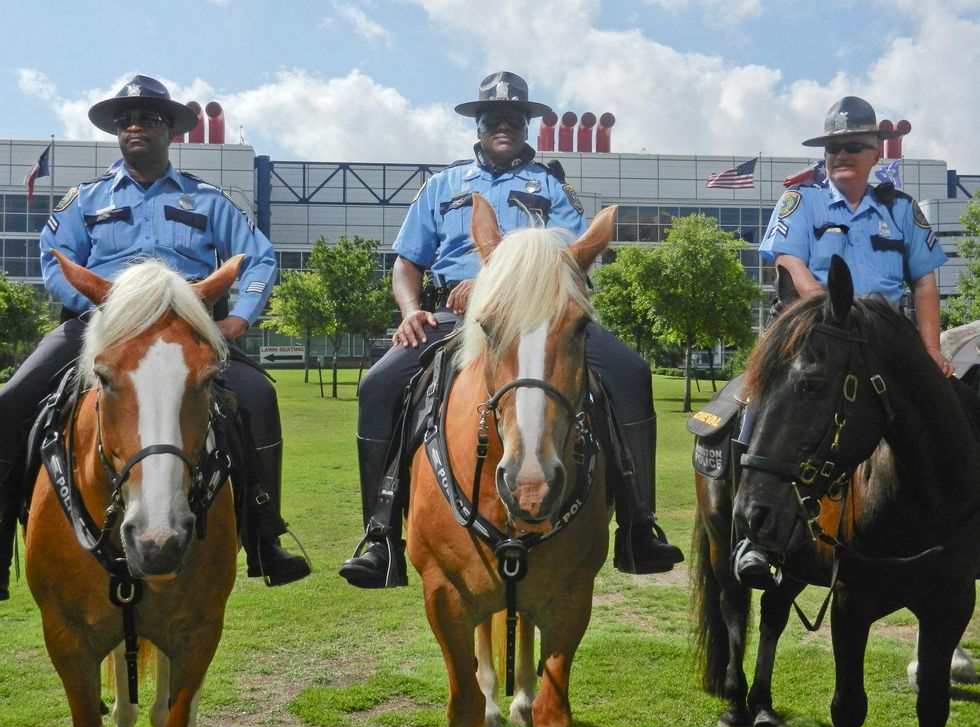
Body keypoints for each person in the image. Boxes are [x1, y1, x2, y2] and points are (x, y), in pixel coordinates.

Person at [339, 71, 683, 589]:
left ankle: (638, 522)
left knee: (630, 373)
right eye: (493, 118)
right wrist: (411, 310)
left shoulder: (551, 187)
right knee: (379, 386)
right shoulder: (442, 186)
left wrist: (492, 281)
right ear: (478, 126)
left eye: (515, 119)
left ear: (528, 127)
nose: (504, 125)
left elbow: (575, 260)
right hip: (452, 317)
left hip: (538, 315)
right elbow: (406, 263)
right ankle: (381, 532)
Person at [0, 75, 310, 599]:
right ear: (118, 133)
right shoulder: (86, 199)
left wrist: (238, 320)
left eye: (148, 118)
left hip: (186, 330)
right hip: (101, 327)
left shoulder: (209, 200)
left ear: (172, 131)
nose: (135, 126)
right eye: (126, 120)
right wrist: (105, 309)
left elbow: (258, 258)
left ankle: (264, 536)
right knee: (10, 402)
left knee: (258, 395)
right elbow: (55, 262)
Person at [734, 95, 949, 588]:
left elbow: (926, 285)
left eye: (853, 146)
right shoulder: (801, 201)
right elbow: (789, 261)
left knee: (948, 420)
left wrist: (931, 350)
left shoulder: (901, 210)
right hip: (816, 337)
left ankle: (952, 542)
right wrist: (834, 311)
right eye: (832, 148)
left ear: (877, 152)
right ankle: (754, 538)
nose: (841, 156)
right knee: (761, 408)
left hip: (888, 349)